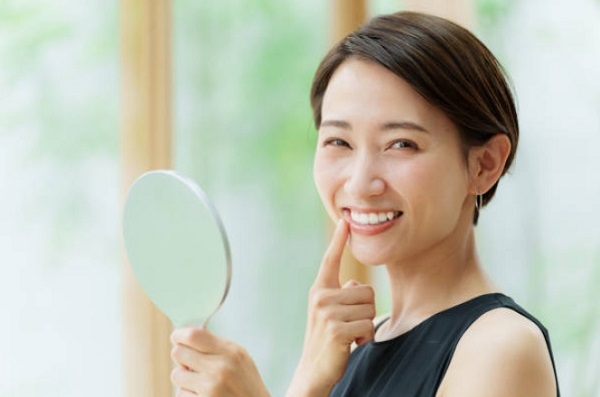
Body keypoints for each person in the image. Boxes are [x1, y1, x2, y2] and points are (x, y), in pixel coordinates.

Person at [169, 11, 560, 397]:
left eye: (401, 144)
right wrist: (307, 380)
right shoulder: (348, 348)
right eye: (339, 142)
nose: (360, 183)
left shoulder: (501, 348)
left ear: (484, 164)